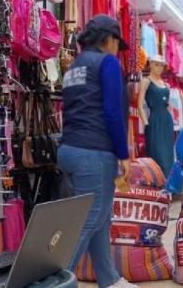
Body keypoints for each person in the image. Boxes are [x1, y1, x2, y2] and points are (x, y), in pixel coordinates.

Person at [58, 15, 137, 288]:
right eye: (117, 42)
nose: (118, 49)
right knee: (89, 219)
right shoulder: (107, 63)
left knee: (100, 218)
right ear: (109, 39)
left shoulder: (74, 67)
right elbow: (113, 113)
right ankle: (53, 283)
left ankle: (109, 280)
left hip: (70, 149)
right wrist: (123, 154)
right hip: (93, 152)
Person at [137, 55, 174, 176]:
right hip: (154, 120)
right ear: (151, 64)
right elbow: (140, 104)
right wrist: (145, 123)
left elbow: (168, 105)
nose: (159, 68)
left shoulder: (166, 85)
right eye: (156, 64)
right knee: (156, 153)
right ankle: (157, 183)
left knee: (168, 154)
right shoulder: (146, 81)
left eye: (162, 65)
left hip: (167, 121)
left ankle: (168, 187)